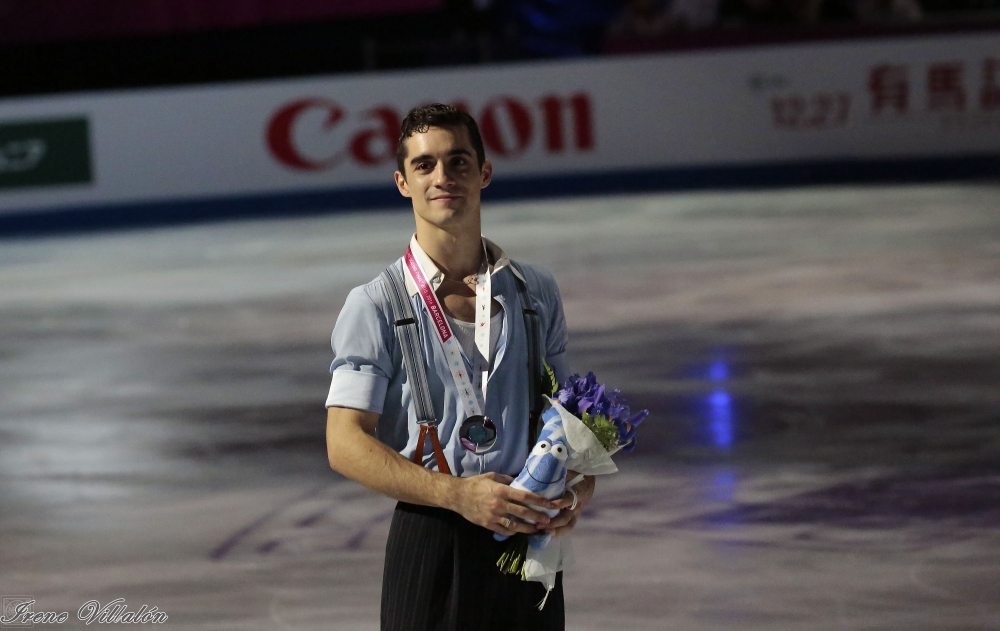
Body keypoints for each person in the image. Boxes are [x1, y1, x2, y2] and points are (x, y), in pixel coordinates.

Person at [324, 103, 595, 631]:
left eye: (458, 162)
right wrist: (457, 495)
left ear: (484, 172)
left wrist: (576, 486)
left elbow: (563, 414)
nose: (442, 177)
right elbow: (344, 443)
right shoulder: (375, 304)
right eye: (425, 166)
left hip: (526, 535)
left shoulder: (535, 292)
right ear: (402, 182)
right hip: (433, 538)